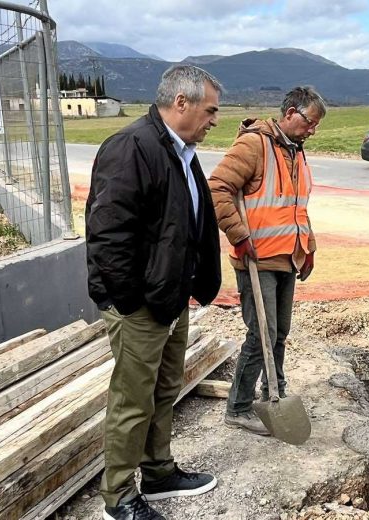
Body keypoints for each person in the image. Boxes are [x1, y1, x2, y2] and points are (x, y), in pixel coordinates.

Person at [85, 65, 223, 520]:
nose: (214, 120)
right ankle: (119, 498)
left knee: (165, 390)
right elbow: (108, 236)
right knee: (132, 400)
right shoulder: (131, 147)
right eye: (210, 110)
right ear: (180, 103)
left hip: (169, 298)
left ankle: (158, 472)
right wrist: (132, 303)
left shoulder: (181, 151)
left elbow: (183, 224)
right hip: (141, 304)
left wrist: (191, 285)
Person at [208, 86, 326, 435]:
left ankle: (275, 391)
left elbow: (297, 206)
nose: (312, 130)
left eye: (316, 125)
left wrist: (309, 246)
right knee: (261, 334)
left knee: (279, 334)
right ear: (290, 113)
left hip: (288, 256)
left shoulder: (295, 152)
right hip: (256, 258)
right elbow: (216, 189)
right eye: (309, 122)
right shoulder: (254, 144)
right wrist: (239, 236)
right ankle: (238, 407)